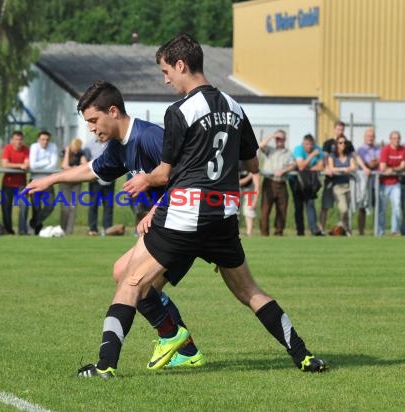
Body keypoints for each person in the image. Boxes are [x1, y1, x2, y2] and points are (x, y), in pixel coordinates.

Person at [75, 34, 326, 378]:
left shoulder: (179, 111)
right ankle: (304, 356)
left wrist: (146, 180)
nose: (166, 79)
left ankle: (105, 366)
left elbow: (165, 172)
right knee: (249, 291)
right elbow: (253, 167)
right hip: (223, 215)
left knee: (131, 281)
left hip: (184, 212)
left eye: (166, 71)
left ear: (181, 65)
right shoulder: (235, 107)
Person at [26, 80, 204, 369]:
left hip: (183, 224)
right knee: (129, 278)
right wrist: (50, 179)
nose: (92, 128)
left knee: (130, 279)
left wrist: (156, 210)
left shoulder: (149, 137)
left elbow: (187, 175)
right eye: (87, 123)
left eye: (94, 120)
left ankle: (141, 351)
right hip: (166, 225)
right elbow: (90, 169)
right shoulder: (120, 147)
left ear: (113, 111)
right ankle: (183, 347)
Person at [258, 130, 296, 236]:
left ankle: (278, 232)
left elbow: (293, 165)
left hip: (281, 183)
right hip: (269, 182)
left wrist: (283, 170)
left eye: (281, 139)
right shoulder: (270, 150)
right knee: (265, 210)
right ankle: (264, 233)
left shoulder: (288, 153)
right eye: (277, 139)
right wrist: (272, 135)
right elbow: (260, 145)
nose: (279, 141)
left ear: (285, 140)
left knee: (282, 210)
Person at [290, 134, 325, 236]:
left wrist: (307, 168)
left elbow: (321, 166)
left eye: (311, 144)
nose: (309, 146)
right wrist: (312, 155)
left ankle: (314, 229)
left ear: (314, 144)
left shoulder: (318, 149)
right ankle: (300, 231)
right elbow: (301, 166)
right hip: (296, 180)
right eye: (307, 144)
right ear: (303, 143)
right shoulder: (298, 149)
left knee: (310, 204)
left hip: (309, 181)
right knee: (298, 205)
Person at [29, 131, 59, 235]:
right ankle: (36, 231)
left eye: (47, 140)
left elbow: (54, 165)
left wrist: (41, 166)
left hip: (48, 181)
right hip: (35, 180)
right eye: (42, 139)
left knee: (50, 206)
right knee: (36, 208)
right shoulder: (34, 147)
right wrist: (47, 162)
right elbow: (32, 166)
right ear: (38, 140)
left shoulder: (53, 147)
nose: (45, 142)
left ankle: (33, 223)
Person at [1, 130, 29, 235]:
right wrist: (19, 166)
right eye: (16, 139)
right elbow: (5, 164)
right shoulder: (7, 148)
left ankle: (22, 230)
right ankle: (9, 230)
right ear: (12, 140)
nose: (18, 141)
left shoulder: (26, 150)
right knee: (6, 208)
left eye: (20, 139)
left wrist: (23, 165)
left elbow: (27, 164)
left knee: (24, 206)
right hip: (8, 183)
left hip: (21, 184)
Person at [84, 138, 114, 236]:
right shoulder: (89, 145)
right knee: (93, 205)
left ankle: (107, 229)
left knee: (108, 205)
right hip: (95, 180)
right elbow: (86, 162)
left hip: (110, 179)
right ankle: (92, 229)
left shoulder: (113, 143)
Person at [378, 131, 405, 236]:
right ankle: (380, 231)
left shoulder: (403, 150)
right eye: (394, 138)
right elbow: (382, 168)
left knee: (397, 206)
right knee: (382, 209)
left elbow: (403, 166)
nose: (396, 140)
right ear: (390, 139)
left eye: (398, 138)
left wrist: (392, 170)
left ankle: (394, 230)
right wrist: (395, 169)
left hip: (395, 183)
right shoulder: (385, 150)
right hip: (383, 184)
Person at [327, 135, 356, 234]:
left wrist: (349, 169)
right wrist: (343, 169)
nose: (342, 144)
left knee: (347, 211)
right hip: (337, 186)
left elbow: (353, 167)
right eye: (340, 142)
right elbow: (331, 168)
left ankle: (345, 230)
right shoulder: (332, 155)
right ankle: (343, 228)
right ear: (336, 144)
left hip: (349, 185)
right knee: (343, 209)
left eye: (344, 142)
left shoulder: (349, 155)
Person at [59, 138, 88, 234]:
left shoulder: (80, 153)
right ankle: (62, 228)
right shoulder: (64, 152)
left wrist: (75, 169)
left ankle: (69, 231)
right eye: (75, 149)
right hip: (65, 183)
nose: (76, 151)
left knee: (73, 207)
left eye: (78, 149)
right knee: (65, 207)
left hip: (76, 183)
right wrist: (67, 152)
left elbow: (85, 165)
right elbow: (64, 166)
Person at [356, 128, 380, 235]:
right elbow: (369, 165)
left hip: (376, 183)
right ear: (364, 137)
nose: (370, 138)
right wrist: (376, 162)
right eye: (368, 136)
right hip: (364, 183)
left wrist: (375, 162)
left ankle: (377, 231)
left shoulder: (378, 149)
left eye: (372, 136)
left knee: (377, 207)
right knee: (362, 208)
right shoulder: (361, 150)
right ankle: (361, 232)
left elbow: (380, 162)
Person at [238, 160, 259, 236]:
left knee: (249, 210)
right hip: (236, 188)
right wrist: (249, 176)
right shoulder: (235, 163)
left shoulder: (252, 164)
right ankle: (236, 233)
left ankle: (249, 233)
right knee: (235, 211)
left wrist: (255, 200)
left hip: (250, 188)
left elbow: (257, 184)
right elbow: (238, 182)